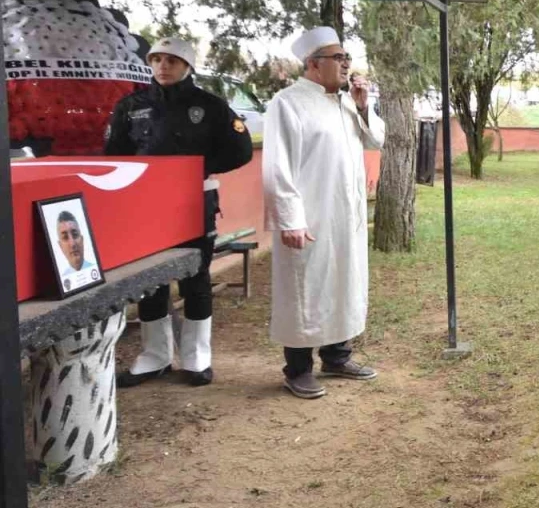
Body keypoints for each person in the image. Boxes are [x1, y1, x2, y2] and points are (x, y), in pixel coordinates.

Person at [108, 36, 254, 387]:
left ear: (187, 66)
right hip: (146, 206)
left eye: (171, 60)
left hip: (193, 203)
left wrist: (199, 168)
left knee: (195, 276)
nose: (163, 66)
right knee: (150, 281)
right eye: (157, 59)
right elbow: (115, 154)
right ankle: (154, 356)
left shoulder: (211, 105)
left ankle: (196, 357)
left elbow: (241, 150)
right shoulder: (130, 106)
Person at [264, 26, 386, 400]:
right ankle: (298, 369)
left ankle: (337, 357)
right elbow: (277, 167)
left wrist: (363, 106)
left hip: (346, 216)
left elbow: (376, 139)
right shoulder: (288, 102)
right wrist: (290, 219)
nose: (346, 64)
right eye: (338, 58)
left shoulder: (347, 102)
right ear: (314, 64)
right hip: (310, 217)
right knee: (305, 287)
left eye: (347, 58)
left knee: (343, 282)